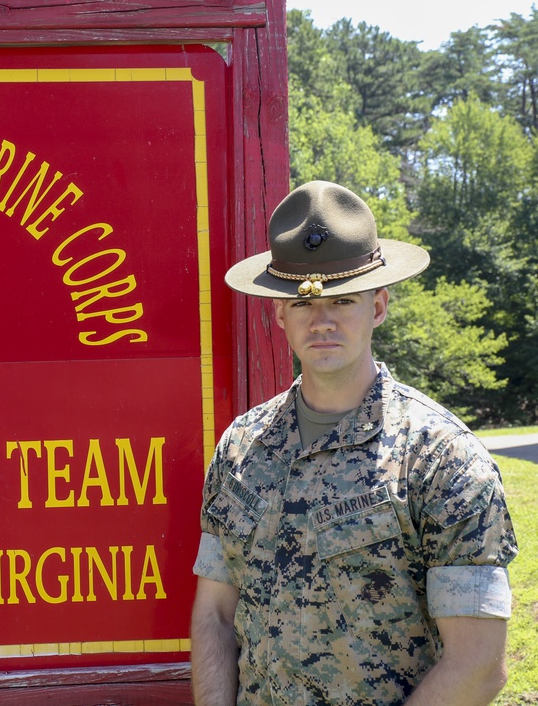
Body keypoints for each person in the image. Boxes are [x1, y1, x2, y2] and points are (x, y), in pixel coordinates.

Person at [190, 181, 518, 706]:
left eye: (344, 300)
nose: (322, 321)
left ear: (380, 307)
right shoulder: (241, 449)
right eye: (303, 304)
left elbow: (478, 664)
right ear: (279, 314)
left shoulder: (440, 456)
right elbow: (215, 615)